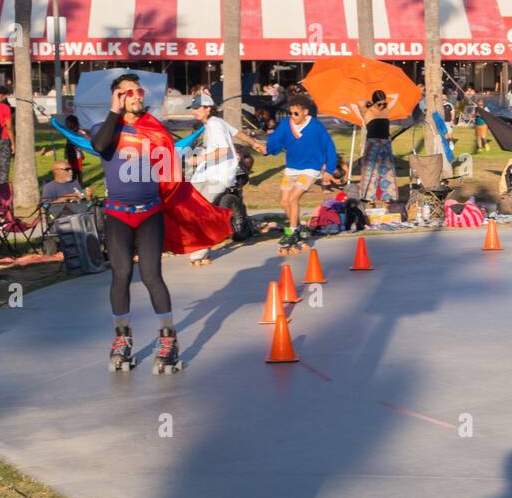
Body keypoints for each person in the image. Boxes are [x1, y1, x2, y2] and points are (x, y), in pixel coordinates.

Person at [91, 73, 232, 373]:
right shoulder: (103, 128)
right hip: (117, 214)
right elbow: (102, 146)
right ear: (117, 97)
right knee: (121, 274)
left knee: (151, 275)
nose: (137, 95)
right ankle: (122, 339)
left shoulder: (154, 128)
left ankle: (168, 338)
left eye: (138, 91)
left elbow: (169, 169)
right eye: (128, 92)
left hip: (150, 213)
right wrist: (114, 113)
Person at [183, 92, 261, 266]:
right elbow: (238, 133)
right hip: (206, 175)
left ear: (207, 109)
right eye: (193, 108)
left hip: (216, 176)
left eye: (197, 108)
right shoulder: (217, 123)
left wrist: (198, 159)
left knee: (201, 211)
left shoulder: (214, 125)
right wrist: (254, 143)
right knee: (190, 208)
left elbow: (224, 150)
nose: (193, 111)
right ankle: (199, 248)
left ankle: (200, 252)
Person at [254, 94, 337, 254]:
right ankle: (299, 230)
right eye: (290, 113)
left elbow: (329, 148)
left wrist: (329, 170)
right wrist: (266, 149)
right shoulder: (286, 124)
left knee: (293, 198)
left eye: (296, 113)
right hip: (292, 168)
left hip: (310, 169)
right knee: (284, 202)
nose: (293, 116)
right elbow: (276, 141)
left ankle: (291, 232)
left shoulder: (316, 127)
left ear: (305, 112)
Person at [354, 89, 400, 204]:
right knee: (370, 171)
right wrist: (372, 101)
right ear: (374, 102)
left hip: (386, 144)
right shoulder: (367, 111)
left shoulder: (386, 110)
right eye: (380, 104)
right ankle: (367, 197)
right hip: (373, 144)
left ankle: (389, 196)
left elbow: (396, 96)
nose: (383, 105)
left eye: (384, 103)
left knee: (387, 171)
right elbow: (359, 102)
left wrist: (383, 99)